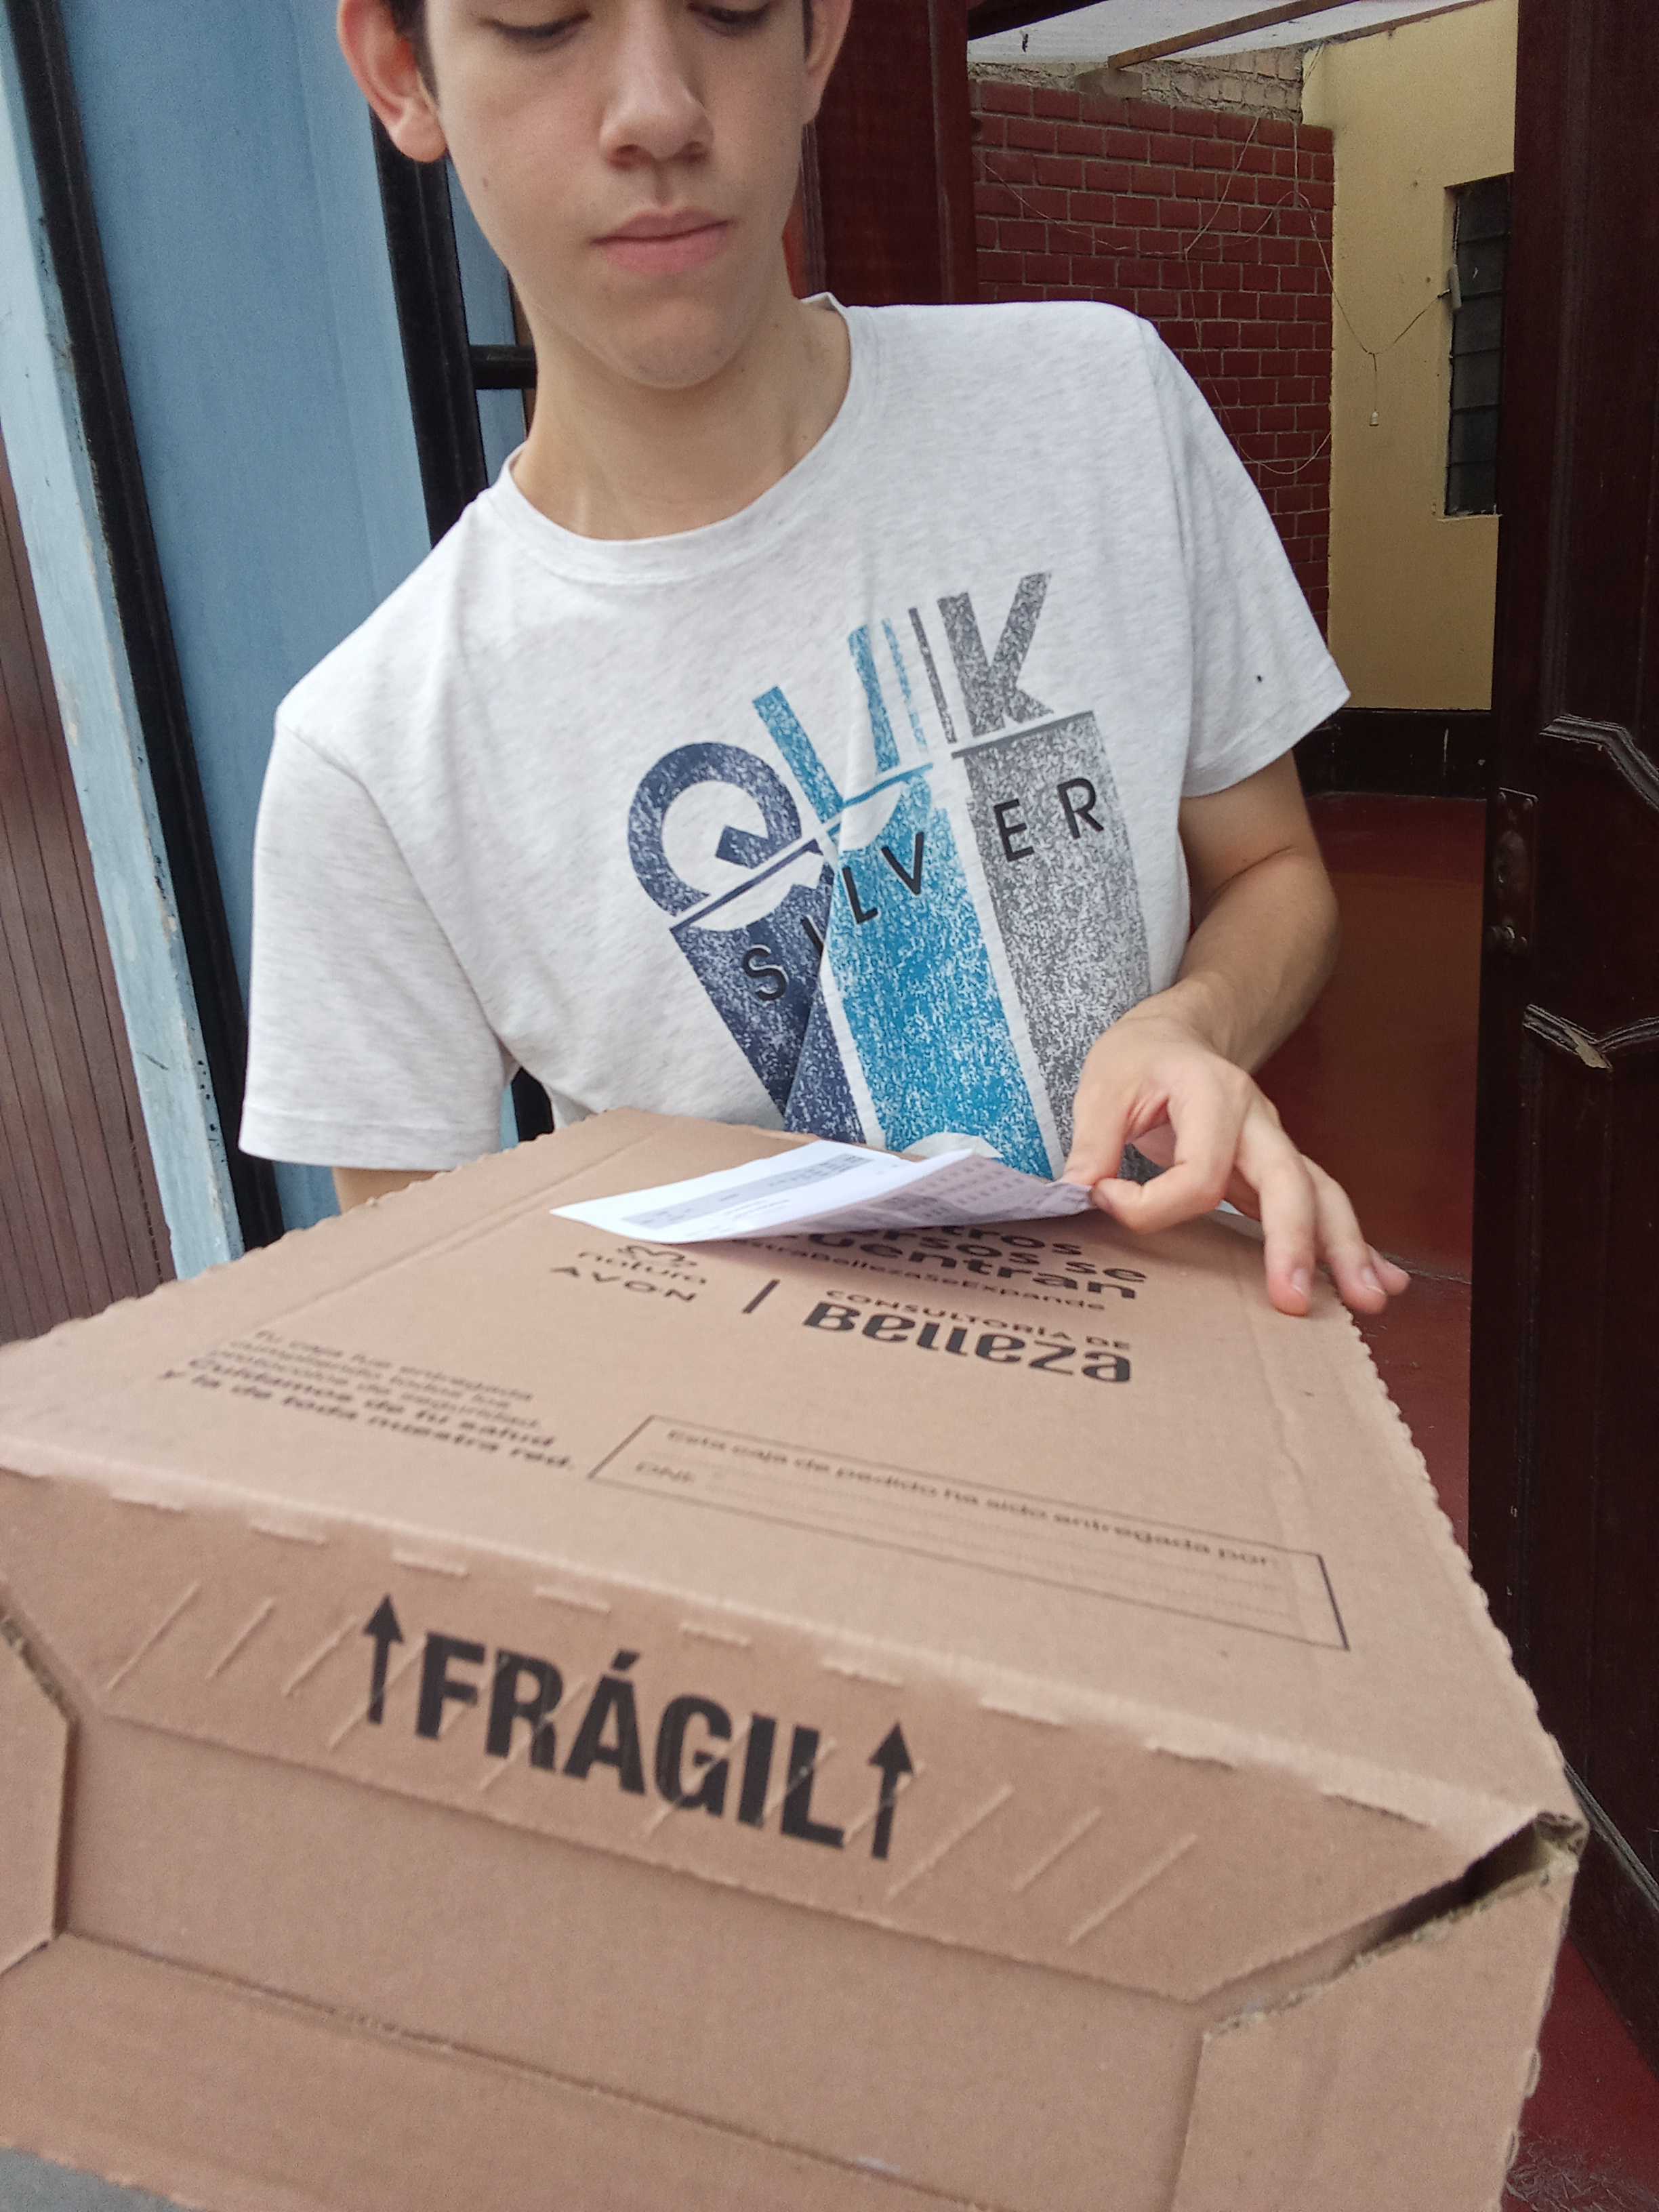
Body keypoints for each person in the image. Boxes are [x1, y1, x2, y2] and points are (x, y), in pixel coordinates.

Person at [240, 0, 1410, 1322]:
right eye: (544, 18)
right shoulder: (374, 755)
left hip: (1179, 1368)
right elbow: (423, 1317)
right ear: (403, 72)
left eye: (730, 6)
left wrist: (1188, 1024)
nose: (659, 110)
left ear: (815, 37)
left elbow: (1272, 871)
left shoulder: (1097, 404)